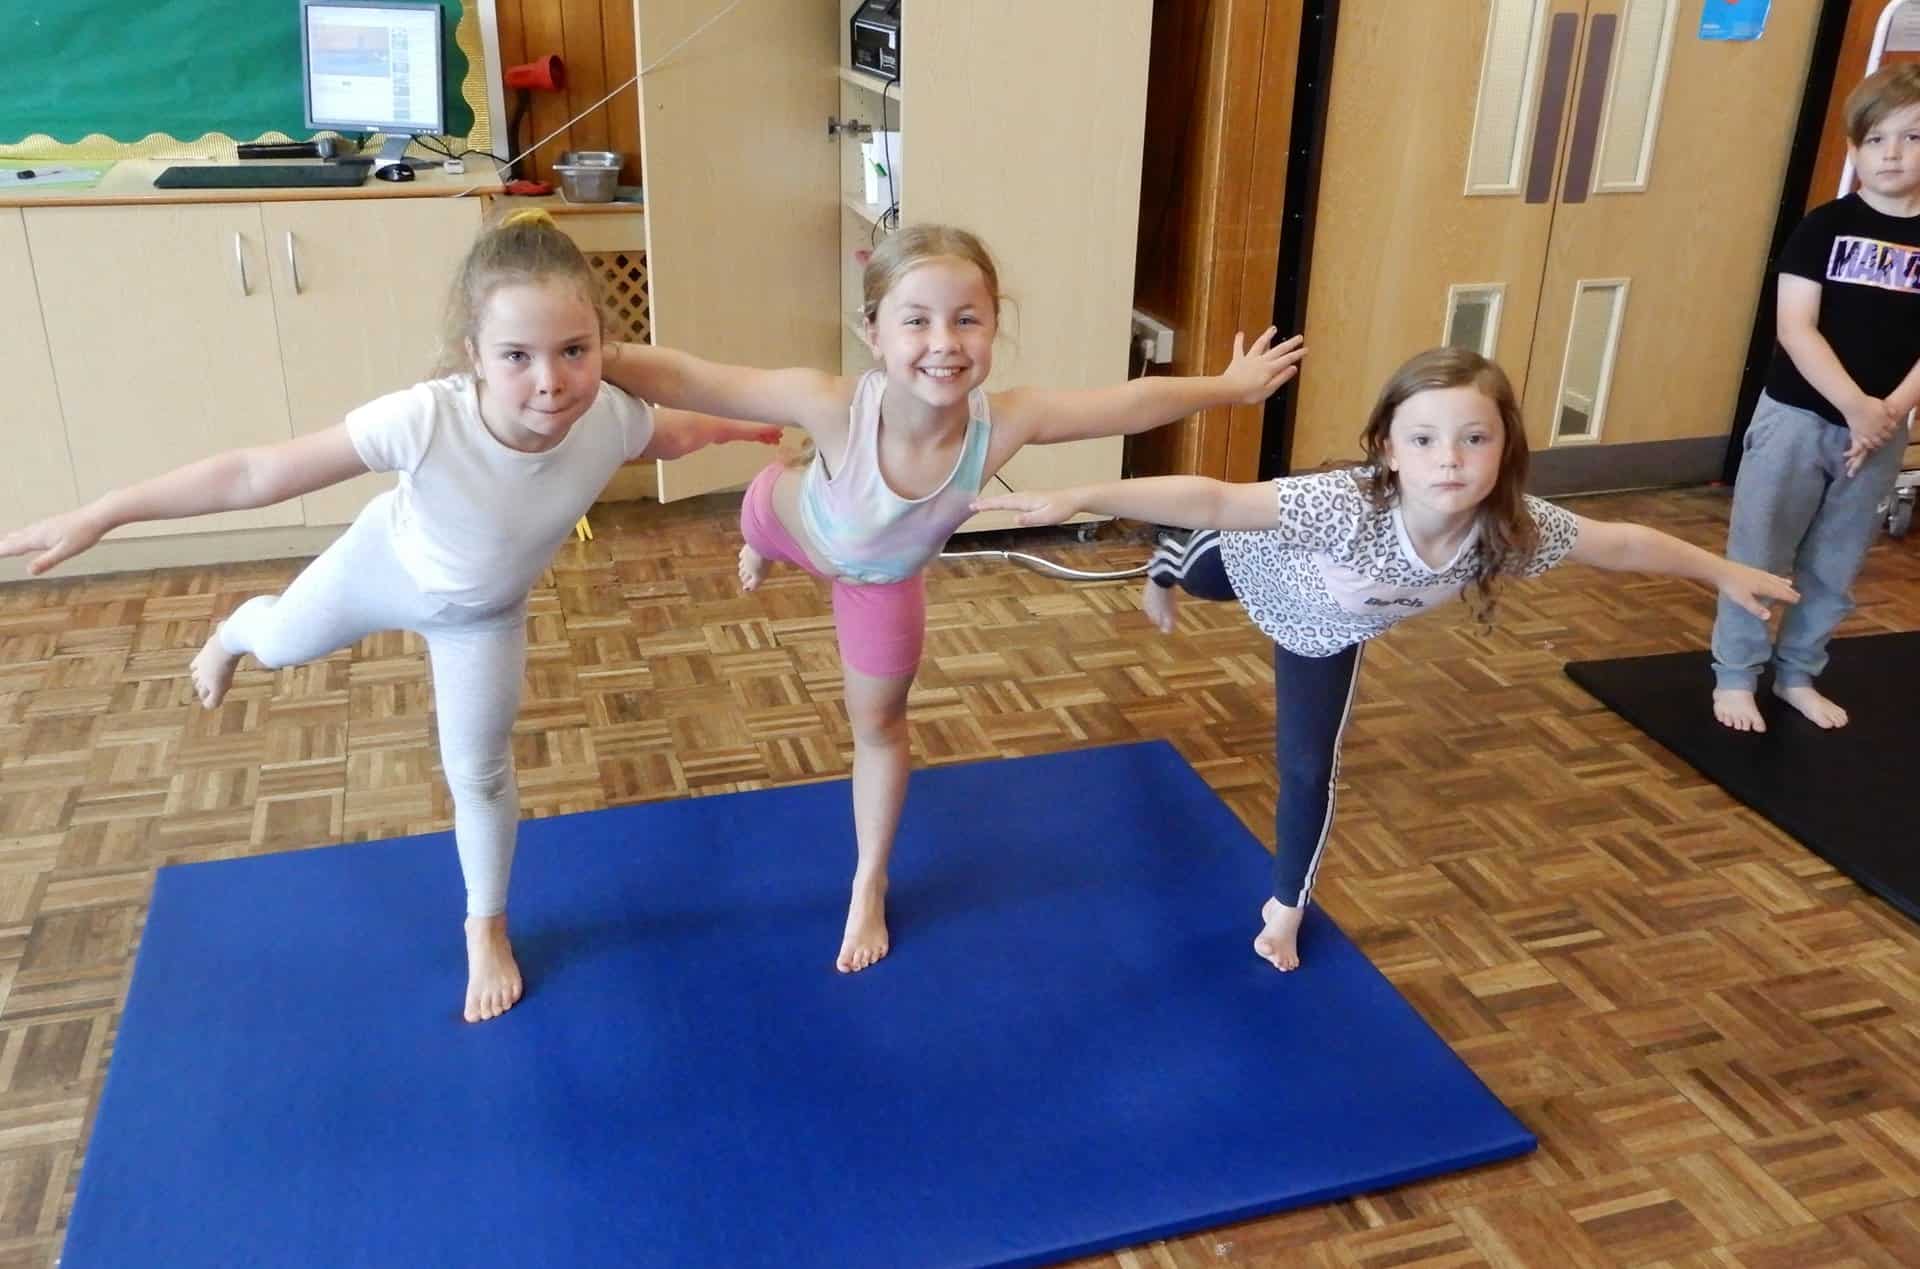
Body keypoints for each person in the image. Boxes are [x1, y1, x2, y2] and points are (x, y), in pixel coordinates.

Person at [0, 210, 779, 1023]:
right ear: (472, 354)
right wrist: (104, 513)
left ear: (601, 346)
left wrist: (748, 427)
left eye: (573, 351)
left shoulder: (609, 418)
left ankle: (485, 927)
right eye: (517, 356)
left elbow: (672, 433)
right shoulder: (426, 419)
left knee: (480, 773)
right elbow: (253, 474)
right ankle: (233, 632)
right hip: (383, 567)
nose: (550, 381)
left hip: (483, 618)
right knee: (279, 642)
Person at [601, 223, 1306, 973]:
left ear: (995, 325)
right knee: (759, 519)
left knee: (880, 724)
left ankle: (869, 878)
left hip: (880, 581)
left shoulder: (1005, 422)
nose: (944, 342)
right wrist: (582, 351)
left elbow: (1128, 402)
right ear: (872, 331)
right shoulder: (832, 404)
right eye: (917, 320)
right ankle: (759, 549)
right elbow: (693, 378)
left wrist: (1227, 388)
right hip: (789, 520)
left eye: (967, 318)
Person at [973, 346, 1798, 973]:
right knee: (1195, 563)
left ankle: (1287, 904)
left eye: (1474, 438)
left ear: (1505, 448)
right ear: (1389, 450)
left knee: (1310, 766)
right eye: (1425, 439)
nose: (1450, 459)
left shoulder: (1512, 529)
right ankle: (1164, 565)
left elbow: (1618, 544)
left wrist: (1722, 572)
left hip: (1324, 633)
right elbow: (1216, 497)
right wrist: (1083, 496)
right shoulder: (1342, 504)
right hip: (1258, 561)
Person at [1711, 63, 1920, 734]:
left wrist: (1886, 415)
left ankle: (1797, 673)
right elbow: (1795, 328)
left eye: (1912, 137)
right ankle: (1736, 674)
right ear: (1855, 148)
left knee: (1835, 563)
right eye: (1877, 138)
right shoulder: (1823, 227)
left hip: (1878, 434)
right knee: (1760, 552)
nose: (1893, 153)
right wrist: (1858, 406)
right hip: (1797, 420)